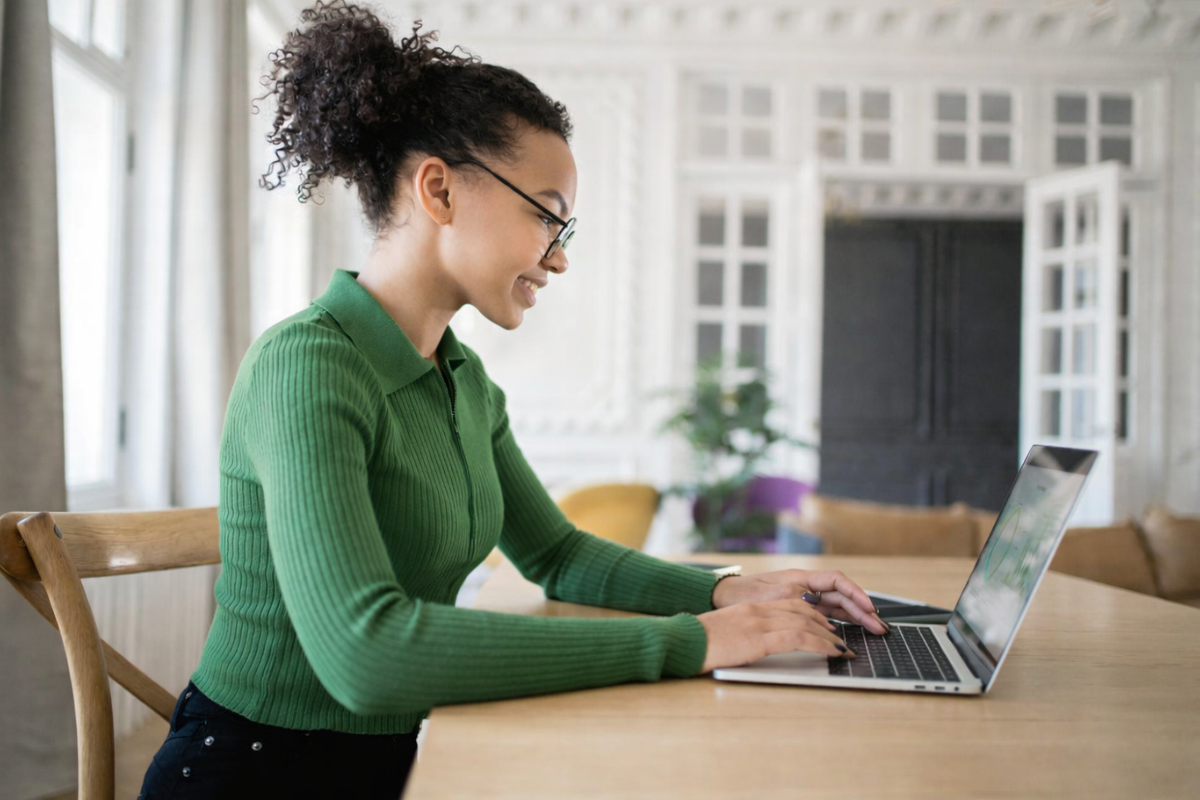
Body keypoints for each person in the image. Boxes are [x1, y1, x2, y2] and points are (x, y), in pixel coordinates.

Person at [138, 2, 889, 797]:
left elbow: (557, 555)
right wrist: (692, 640)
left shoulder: (462, 381)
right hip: (259, 770)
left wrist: (728, 589)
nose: (558, 261)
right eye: (546, 218)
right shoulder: (308, 366)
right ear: (439, 190)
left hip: (399, 756)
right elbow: (368, 654)